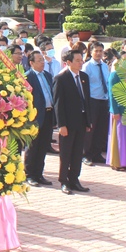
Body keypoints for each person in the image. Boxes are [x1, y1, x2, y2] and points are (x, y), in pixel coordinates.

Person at [53, 47, 91, 195]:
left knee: (77, 152)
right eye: (77, 60)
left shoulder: (84, 77)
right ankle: (64, 181)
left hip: (81, 120)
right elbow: (58, 103)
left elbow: (86, 100)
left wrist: (88, 121)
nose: (81, 63)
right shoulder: (60, 78)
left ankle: (74, 179)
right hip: (67, 122)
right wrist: (61, 125)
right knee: (66, 153)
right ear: (68, 62)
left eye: (82, 60)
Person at [24, 50, 55, 187]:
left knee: (43, 146)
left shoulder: (48, 75)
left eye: (43, 60)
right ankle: (29, 174)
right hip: (34, 117)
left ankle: (39, 174)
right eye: (39, 61)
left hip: (48, 114)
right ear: (31, 63)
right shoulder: (27, 77)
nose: (43, 63)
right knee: (33, 147)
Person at [82, 41, 111, 165]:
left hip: (103, 100)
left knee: (101, 128)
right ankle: (86, 154)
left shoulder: (104, 66)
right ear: (91, 52)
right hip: (92, 100)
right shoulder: (87, 66)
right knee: (90, 129)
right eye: (96, 51)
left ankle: (97, 153)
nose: (99, 53)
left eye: (101, 51)